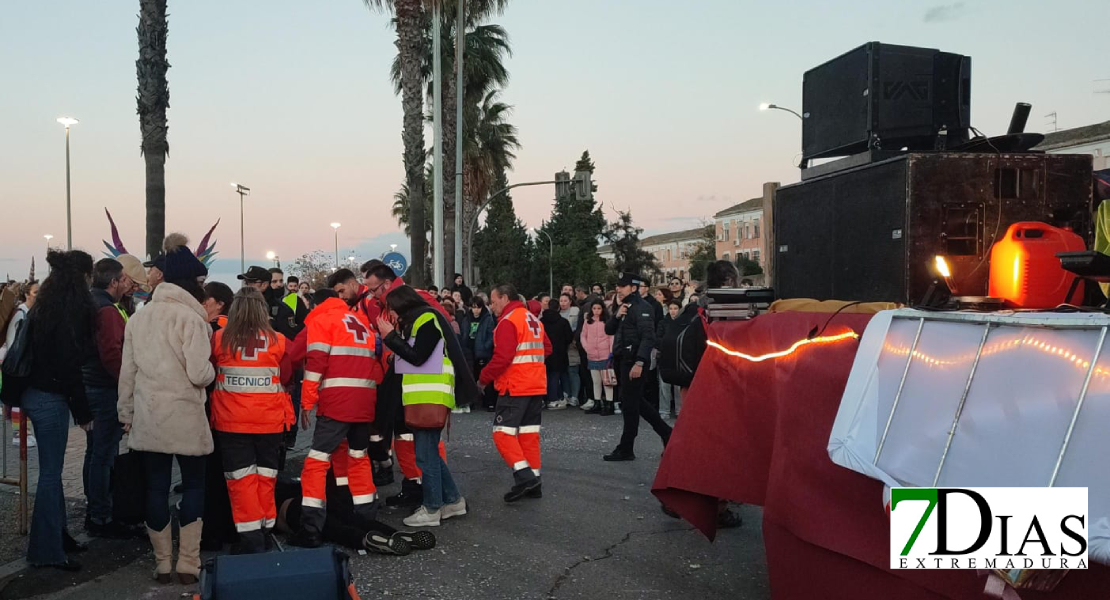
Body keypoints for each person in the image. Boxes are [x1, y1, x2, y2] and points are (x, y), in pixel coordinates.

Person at [118, 235, 214, 584]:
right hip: (186, 416)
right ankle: (189, 563)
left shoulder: (138, 319)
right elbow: (199, 373)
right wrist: (213, 367)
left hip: (149, 415)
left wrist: (125, 414)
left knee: (155, 488)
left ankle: (162, 563)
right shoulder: (193, 320)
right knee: (193, 488)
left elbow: (126, 374)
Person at [18, 251, 95, 571]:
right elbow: (69, 367)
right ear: (82, 278)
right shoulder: (68, 313)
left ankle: (58, 537)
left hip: (36, 394)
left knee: (53, 471)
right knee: (50, 475)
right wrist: (84, 412)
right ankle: (46, 551)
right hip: (50, 397)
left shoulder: (47, 307)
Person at [290, 287, 385, 548]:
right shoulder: (360, 321)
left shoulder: (322, 320)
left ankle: (311, 528)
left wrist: (307, 403)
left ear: (316, 303)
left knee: (317, 462)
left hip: (337, 401)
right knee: (358, 458)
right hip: (364, 400)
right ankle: (366, 517)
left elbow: (315, 364)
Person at [210, 287, 294, 553]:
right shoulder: (279, 340)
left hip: (232, 421)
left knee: (240, 480)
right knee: (266, 477)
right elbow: (288, 375)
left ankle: (250, 538)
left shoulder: (220, 339)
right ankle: (266, 530)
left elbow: (210, 371)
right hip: (269, 421)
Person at [377, 286, 467, 527]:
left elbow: (418, 356)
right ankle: (453, 501)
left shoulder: (425, 318)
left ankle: (432, 508)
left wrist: (390, 337)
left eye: (392, 311)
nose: (391, 316)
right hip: (428, 397)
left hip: (430, 397)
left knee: (425, 457)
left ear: (401, 306)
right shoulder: (422, 319)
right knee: (429, 455)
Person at [479, 284, 551, 502]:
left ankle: (525, 477)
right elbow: (547, 348)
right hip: (535, 384)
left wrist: (483, 379)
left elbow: (502, 357)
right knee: (529, 435)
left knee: (502, 433)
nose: (492, 306)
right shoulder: (532, 319)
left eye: (493, 301)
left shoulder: (508, 321)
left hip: (515, 385)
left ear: (505, 298)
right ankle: (534, 481)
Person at [81, 258, 134, 539]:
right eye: (123, 278)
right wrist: (125, 385)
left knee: (94, 452)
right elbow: (113, 353)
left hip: (90, 384)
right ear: (113, 282)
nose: (126, 283)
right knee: (104, 453)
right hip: (105, 389)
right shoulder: (108, 310)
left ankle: (94, 506)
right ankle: (101, 515)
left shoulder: (89, 303)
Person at [275, 470, 432, 555]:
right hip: (315, 496)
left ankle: (365, 540)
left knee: (334, 529)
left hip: (291, 509)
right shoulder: (275, 481)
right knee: (352, 518)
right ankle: (394, 533)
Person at [603, 272, 672, 462]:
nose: (618, 289)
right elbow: (609, 330)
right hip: (622, 360)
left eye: (623, 286)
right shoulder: (624, 306)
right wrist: (616, 316)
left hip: (634, 361)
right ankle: (666, 433)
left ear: (633, 288)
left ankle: (627, 447)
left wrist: (640, 362)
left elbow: (648, 337)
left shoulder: (643, 307)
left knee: (631, 405)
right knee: (632, 402)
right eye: (618, 285)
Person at [199, 280, 237, 551]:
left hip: (215, 409)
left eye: (206, 300)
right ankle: (235, 529)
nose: (202, 305)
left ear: (219, 303)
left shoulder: (212, 330)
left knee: (212, 475)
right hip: (240, 411)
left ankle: (212, 533)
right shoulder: (238, 329)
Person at [4, 279, 39, 448]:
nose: (38, 296)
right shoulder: (21, 313)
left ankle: (26, 432)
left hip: (27, 363)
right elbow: (12, 341)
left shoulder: (33, 313)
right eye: (35, 293)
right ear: (26, 294)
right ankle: (19, 434)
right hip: (18, 364)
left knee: (25, 400)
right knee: (18, 401)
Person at [238, 266, 299, 340]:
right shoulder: (238, 306)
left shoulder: (282, 310)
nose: (247, 285)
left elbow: (289, 340)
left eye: (252, 282)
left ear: (264, 284)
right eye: (246, 282)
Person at [461, 297, 496, 411]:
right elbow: (463, 333)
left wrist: (485, 346)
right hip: (469, 349)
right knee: (471, 376)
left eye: (478, 307)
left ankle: (489, 401)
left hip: (482, 351)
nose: (476, 310)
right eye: (473, 307)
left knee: (485, 376)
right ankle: (473, 401)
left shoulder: (487, 319)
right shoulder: (466, 318)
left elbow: (491, 335)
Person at [579, 300, 614, 414]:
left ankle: (609, 404)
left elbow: (611, 337)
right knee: (596, 381)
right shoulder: (588, 321)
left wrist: (611, 351)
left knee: (607, 381)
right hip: (592, 354)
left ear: (603, 309)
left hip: (605, 355)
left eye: (599, 308)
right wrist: (586, 347)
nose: (596, 311)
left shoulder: (607, 322)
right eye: (594, 308)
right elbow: (583, 335)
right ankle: (597, 402)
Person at [656, 300, 686, 420]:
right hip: (665, 356)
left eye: (675, 308)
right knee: (664, 385)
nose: (673, 311)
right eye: (671, 308)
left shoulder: (684, 323)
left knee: (678, 386)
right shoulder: (663, 323)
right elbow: (657, 338)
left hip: (680, 357)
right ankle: (664, 410)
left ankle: (680, 410)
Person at [540, 304, 572, 410]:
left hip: (544, 352)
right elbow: (569, 338)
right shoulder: (563, 322)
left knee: (546, 376)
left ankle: (545, 398)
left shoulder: (541, 321)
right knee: (555, 376)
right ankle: (554, 399)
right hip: (560, 352)